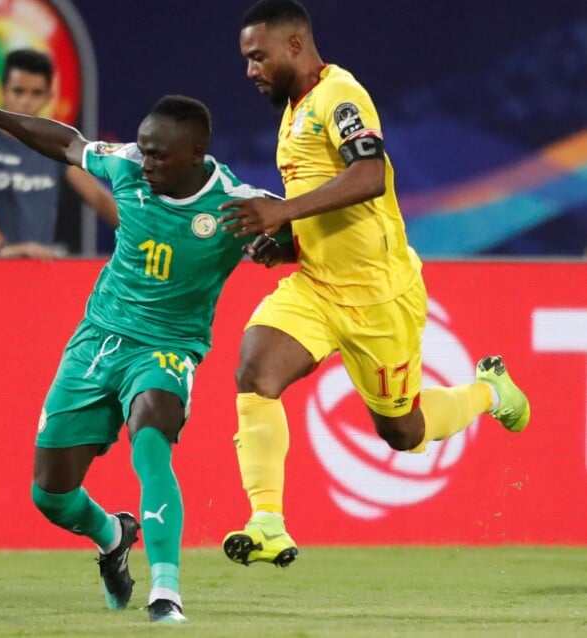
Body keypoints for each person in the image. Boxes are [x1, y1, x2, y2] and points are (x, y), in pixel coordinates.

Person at [0, 74, 280, 622]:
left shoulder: (237, 206)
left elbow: (310, 232)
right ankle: (113, 536)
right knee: (51, 495)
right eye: (143, 148)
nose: (146, 161)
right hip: (98, 339)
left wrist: (279, 242)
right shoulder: (127, 165)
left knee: (151, 434)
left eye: (159, 154)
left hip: (168, 347)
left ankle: (166, 594)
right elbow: (66, 143)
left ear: (195, 154)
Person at [216, 0, 531, 568]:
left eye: (258, 56)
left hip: (379, 296)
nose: (251, 70)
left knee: (402, 432)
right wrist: (287, 243)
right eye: (246, 59)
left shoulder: (340, 96)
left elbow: (370, 175)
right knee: (254, 371)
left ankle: (490, 393)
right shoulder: (293, 111)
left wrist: (282, 212)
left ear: (294, 45)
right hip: (317, 287)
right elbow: (331, 211)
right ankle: (267, 523)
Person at [0, 49, 118, 258]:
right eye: (18, 91)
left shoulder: (56, 143)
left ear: (49, 97)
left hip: (30, 264)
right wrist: (2, 249)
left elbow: (98, 197)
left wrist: (148, 233)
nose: (26, 101)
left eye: (36, 93)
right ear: (3, 91)